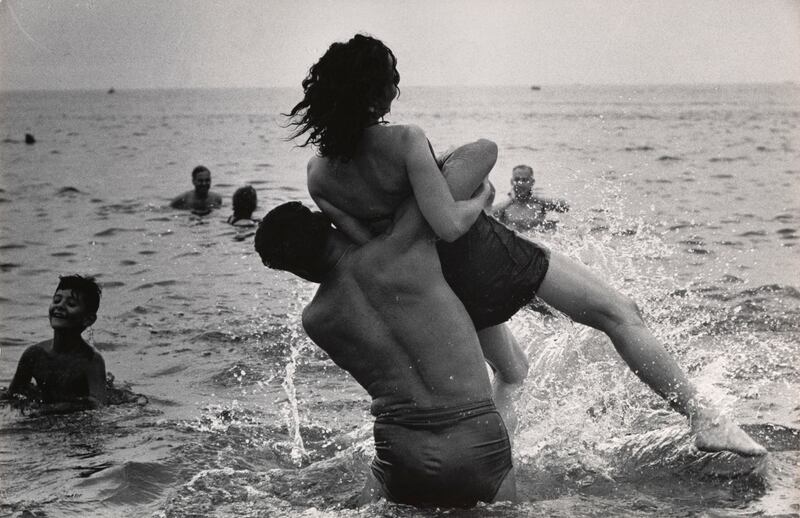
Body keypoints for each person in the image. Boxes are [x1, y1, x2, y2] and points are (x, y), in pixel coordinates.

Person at [290, 33, 766, 457]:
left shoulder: (319, 176)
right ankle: (703, 418)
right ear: (376, 90)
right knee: (619, 313)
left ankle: (499, 459)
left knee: (512, 371)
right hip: (484, 252)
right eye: (392, 80)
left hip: (436, 285)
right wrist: (481, 197)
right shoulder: (404, 141)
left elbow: (372, 250)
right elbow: (450, 226)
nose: (396, 89)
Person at [255, 200, 518, 508]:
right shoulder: (400, 247)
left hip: (400, 454)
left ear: (298, 268)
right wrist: (481, 197)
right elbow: (477, 157)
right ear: (327, 224)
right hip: (475, 444)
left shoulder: (317, 320)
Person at [3, 275, 106, 413]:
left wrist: (52, 409)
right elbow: (12, 395)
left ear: (88, 319)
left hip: (75, 423)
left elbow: (98, 404)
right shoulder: (34, 354)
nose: (60, 306)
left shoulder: (91, 360)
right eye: (56, 300)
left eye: (71, 304)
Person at [492, 164, 569, 231]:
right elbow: (488, 215)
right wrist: (511, 201)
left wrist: (536, 199)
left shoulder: (540, 203)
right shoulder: (505, 205)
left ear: (532, 182)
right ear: (512, 182)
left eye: (524, 180)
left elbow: (565, 207)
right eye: (517, 179)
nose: (520, 183)